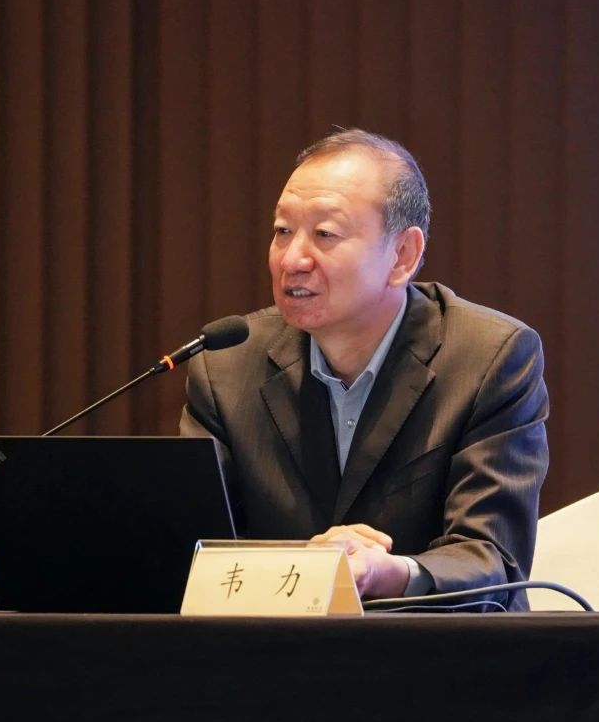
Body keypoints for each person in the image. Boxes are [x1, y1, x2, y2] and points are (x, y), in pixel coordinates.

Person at [180, 129, 549, 607]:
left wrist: (393, 572)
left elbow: (494, 558)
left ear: (402, 256)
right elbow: (196, 554)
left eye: (325, 234)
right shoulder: (226, 365)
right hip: (278, 646)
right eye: (283, 231)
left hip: (437, 644)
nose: (293, 259)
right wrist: (310, 568)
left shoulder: (489, 358)